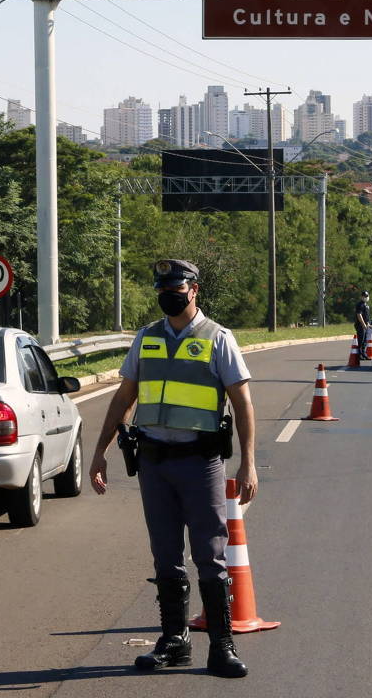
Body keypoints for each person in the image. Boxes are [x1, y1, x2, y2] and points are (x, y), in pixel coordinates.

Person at [89, 259, 257, 679]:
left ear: (193, 289)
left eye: (176, 287)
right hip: (154, 464)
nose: (168, 293)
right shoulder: (146, 338)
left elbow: (242, 403)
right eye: (162, 287)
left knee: (210, 556)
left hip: (201, 464)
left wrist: (249, 463)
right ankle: (174, 641)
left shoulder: (219, 339)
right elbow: (122, 398)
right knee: (165, 556)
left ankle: (221, 646)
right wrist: (99, 452)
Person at [355, 290, 371, 359]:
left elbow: (366, 316)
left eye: (366, 296)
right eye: (364, 296)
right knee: (361, 340)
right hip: (361, 325)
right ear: (361, 297)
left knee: (365, 341)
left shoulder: (366, 305)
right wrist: (363, 324)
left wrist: (368, 323)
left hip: (366, 325)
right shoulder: (360, 304)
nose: (366, 297)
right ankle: (360, 355)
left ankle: (364, 354)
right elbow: (359, 315)